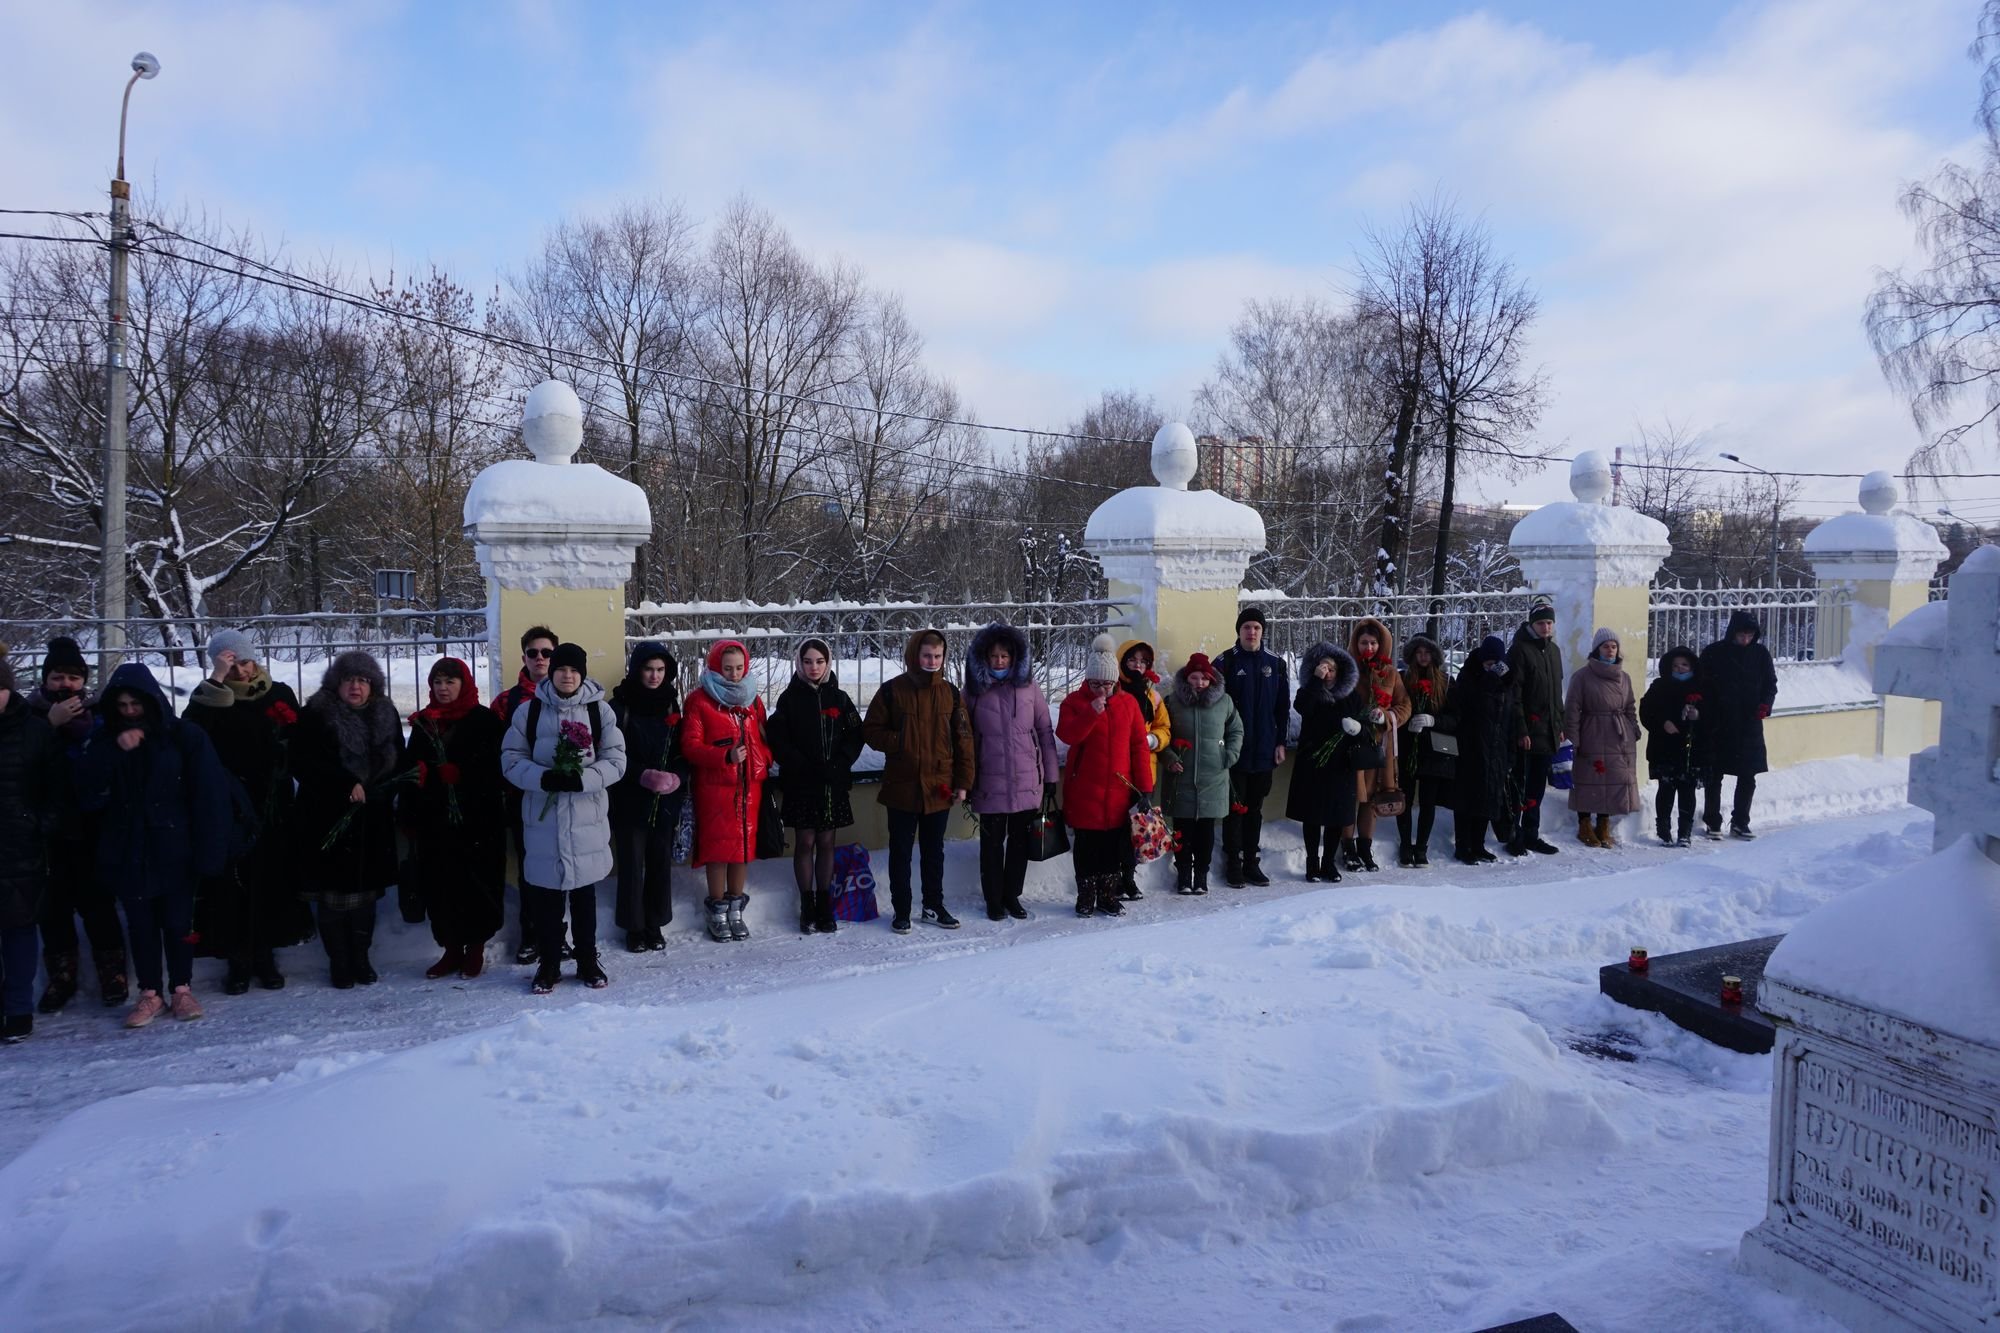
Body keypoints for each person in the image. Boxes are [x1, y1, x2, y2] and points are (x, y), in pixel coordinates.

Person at [76, 663, 230, 1026]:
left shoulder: (182, 737)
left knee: (179, 921)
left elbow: (208, 794)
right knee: (140, 923)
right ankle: (149, 992)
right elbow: (86, 794)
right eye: (123, 705)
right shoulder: (103, 741)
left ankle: (181, 988)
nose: (130, 711)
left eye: (136, 703)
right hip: (127, 846)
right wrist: (115, 751)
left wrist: (210, 849)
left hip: (175, 843)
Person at [181, 628, 303, 994]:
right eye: (230, 667)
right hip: (232, 804)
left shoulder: (277, 693)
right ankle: (237, 958)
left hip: (272, 800)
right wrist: (216, 680)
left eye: (244, 663)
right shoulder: (212, 698)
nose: (240, 673)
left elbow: (299, 738)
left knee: (268, 879)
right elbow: (191, 734)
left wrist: (285, 755)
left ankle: (265, 955)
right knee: (232, 883)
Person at [502, 642, 625, 991]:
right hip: (543, 823)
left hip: (586, 821)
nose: (567, 676)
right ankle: (550, 963)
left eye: (573, 670)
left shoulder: (600, 712)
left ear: (582, 673)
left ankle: (587, 959)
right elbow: (510, 760)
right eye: (561, 669)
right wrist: (543, 778)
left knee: (584, 898)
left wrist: (582, 778)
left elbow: (616, 761)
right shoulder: (530, 712)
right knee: (546, 899)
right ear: (551, 672)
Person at [291, 650, 409, 991]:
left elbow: (398, 761)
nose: (355, 687)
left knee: (366, 895)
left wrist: (382, 789)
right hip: (327, 818)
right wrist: (344, 786)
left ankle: (361, 957)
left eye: (363, 680)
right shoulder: (316, 715)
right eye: (349, 680)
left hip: (370, 820)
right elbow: (304, 762)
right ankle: (339, 962)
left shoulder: (385, 714)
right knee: (334, 896)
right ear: (336, 683)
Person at [27, 637, 127, 1012]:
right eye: (57, 677)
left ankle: (112, 973)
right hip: (44, 830)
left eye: (72, 677)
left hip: (91, 826)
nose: (65, 685)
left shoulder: (99, 715)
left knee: (97, 902)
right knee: (52, 909)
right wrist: (50, 727)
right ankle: (61, 977)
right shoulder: (29, 716)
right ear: (45, 679)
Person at [862, 628, 974, 933]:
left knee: (933, 851)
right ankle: (901, 911)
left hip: (939, 786)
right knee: (900, 851)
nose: (932, 661)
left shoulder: (951, 693)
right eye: (927, 655)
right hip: (903, 786)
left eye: (937, 656)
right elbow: (870, 730)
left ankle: (933, 906)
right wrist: (900, 742)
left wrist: (963, 782)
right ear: (915, 654)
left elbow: (963, 740)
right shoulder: (892, 690)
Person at [404, 657, 507, 980]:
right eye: (438, 682)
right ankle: (450, 949)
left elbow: (499, 768)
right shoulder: (424, 724)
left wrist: (464, 775)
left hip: (478, 820)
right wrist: (420, 784)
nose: (443, 688)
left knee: (477, 884)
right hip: (436, 821)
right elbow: (411, 769)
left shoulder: (485, 720)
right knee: (441, 885)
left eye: (450, 681)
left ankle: (475, 948)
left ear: (464, 684)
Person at [766, 639, 863, 934]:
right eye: (808, 661)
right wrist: (800, 764)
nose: (814, 667)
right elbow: (778, 739)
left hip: (831, 783)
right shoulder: (788, 699)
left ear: (828, 663)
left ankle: (825, 904)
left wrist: (840, 762)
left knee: (826, 843)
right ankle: (806, 904)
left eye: (819, 661)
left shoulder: (840, 698)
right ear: (799, 664)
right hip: (802, 783)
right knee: (805, 842)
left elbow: (856, 734)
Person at [963, 622, 1059, 921]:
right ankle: (993, 899)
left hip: (1026, 779)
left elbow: (1044, 730)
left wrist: (1052, 776)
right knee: (991, 845)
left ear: (1015, 657)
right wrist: (965, 780)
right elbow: (963, 738)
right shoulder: (973, 691)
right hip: (989, 780)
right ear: (984, 658)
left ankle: (1011, 895)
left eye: (1005, 655)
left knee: (1019, 844)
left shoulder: (1028, 688)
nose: (1000, 661)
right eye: (994, 656)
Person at [680, 640, 772, 944]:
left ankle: (736, 908)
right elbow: (690, 746)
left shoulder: (752, 700)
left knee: (742, 848)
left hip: (749, 787)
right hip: (716, 787)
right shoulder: (699, 701)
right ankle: (717, 909)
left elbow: (763, 736)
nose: (733, 674)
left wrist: (763, 760)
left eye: (739, 668)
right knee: (718, 849)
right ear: (716, 667)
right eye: (727, 668)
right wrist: (724, 757)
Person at [1057, 634, 1154, 918]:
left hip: (1118, 790)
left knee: (1113, 846)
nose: (1102, 690)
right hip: (1084, 789)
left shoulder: (1128, 705)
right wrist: (1090, 713)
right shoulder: (1075, 702)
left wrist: (1145, 788)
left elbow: (1138, 746)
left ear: (1116, 682)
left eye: (1108, 684)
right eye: (1096, 684)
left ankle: (1109, 895)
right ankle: (1086, 896)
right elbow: (1066, 734)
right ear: (1088, 681)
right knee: (1087, 847)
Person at [607, 642, 687, 952]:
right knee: (631, 863)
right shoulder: (619, 706)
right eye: (648, 669)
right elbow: (611, 754)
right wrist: (640, 774)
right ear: (636, 669)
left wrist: (677, 777)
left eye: (660, 670)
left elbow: (682, 751)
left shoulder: (671, 705)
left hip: (664, 798)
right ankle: (633, 927)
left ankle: (654, 924)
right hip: (630, 797)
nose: (654, 676)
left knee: (659, 861)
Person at [493, 625, 562, 966]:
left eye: (547, 653)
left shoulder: (569, 695)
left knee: (561, 866)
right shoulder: (507, 701)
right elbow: (496, 751)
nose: (540, 659)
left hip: (562, 799)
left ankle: (558, 935)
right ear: (523, 657)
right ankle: (531, 935)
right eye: (533, 653)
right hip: (523, 797)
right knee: (529, 868)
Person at [0, 653, 60, 1042]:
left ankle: (18, 1009)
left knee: (19, 932)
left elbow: (56, 791)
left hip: (19, 848)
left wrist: (35, 823)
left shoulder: (34, 731)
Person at [1215, 606, 1289, 887]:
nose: (1252, 632)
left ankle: (1250, 862)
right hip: (1235, 751)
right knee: (1235, 807)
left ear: (1263, 631)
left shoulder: (1276, 663)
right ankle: (1232, 863)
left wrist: (1280, 742)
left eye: (1257, 627)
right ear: (1239, 631)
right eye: (1247, 627)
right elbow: (1214, 707)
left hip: (1265, 750)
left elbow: (1282, 708)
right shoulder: (1225, 662)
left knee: (1255, 808)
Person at [1160, 653, 1243, 895]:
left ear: (1211, 679)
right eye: (1194, 677)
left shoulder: (1224, 702)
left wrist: (1229, 755)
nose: (1199, 683)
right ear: (1187, 679)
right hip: (1181, 777)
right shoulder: (1172, 702)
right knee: (1183, 829)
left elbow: (1236, 730)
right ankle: (1184, 874)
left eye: (1204, 678)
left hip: (1213, 777)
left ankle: (1202, 875)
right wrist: (1170, 759)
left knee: (1206, 830)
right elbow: (1162, 735)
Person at [1283, 641, 1365, 884]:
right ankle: (1312, 863)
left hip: (1340, 763)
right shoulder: (1309, 691)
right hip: (1313, 760)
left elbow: (1365, 729)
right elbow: (1303, 708)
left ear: (1340, 672)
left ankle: (1329, 862)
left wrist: (1357, 728)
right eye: (1322, 667)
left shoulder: (1351, 696)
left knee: (1335, 816)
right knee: (1313, 815)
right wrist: (1316, 682)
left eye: (1331, 669)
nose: (1327, 672)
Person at [1338, 618, 1412, 873]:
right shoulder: (1347, 670)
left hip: (1380, 746)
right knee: (1351, 796)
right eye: (1363, 643)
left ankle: (1365, 848)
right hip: (1353, 743)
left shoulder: (1390, 673)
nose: (1368, 648)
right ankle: (1347, 847)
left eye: (1372, 643)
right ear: (1355, 644)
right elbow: (1336, 701)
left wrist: (1387, 717)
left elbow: (1404, 706)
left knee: (1371, 798)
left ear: (1381, 645)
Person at [1698, 610, 1778, 840]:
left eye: (1750, 635)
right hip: (1719, 723)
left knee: (1747, 775)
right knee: (1714, 775)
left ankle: (1741, 821)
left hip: (1748, 724)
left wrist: (1765, 705)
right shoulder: (1714, 653)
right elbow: (1702, 684)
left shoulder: (1761, 655)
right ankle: (1712, 821)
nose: (1745, 639)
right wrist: (1706, 710)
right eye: (1741, 634)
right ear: (1732, 632)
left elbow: (1770, 685)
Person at [1444, 636, 1519, 865]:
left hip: (1496, 750)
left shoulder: (1507, 683)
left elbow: (1510, 718)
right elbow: (1466, 710)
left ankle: (1478, 845)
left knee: (1488, 798)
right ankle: (1462, 846)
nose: (1492, 668)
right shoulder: (1468, 678)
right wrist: (1489, 680)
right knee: (1467, 800)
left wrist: (1510, 752)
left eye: (1496, 664)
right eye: (1488, 664)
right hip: (1471, 748)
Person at [1565, 629, 1641, 848]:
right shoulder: (1582, 676)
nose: (1610, 650)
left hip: (1619, 735)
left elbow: (1629, 706)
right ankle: (1584, 824)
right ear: (1597, 649)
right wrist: (1573, 739)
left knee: (1613, 780)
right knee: (1589, 778)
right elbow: (1572, 710)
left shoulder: (1623, 677)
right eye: (1605, 646)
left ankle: (1604, 824)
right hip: (1592, 732)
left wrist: (1633, 728)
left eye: (1613, 646)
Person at [1504, 601, 1565, 857]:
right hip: (1527, 732)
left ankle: (1532, 833)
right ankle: (1513, 833)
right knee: (1519, 785)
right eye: (1541, 623)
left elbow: (1555, 693)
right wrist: (1521, 729)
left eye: (1549, 623)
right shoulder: (1520, 650)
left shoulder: (1553, 651)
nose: (1546, 627)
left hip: (1547, 732)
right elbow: (1514, 693)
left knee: (1537, 788)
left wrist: (1558, 725)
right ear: (1532, 624)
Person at [1112, 639, 1171, 901]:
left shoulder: (1152, 695)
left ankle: (1129, 877)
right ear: (1122, 662)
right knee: (1116, 827)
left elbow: (1164, 727)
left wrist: (1153, 740)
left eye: (1143, 662)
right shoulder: (1112, 690)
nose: (1138, 666)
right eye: (1132, 660)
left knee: (1137, 828)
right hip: (1117, 771)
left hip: (1144, 770)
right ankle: (1113, 877)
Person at [1396, 634, 1455, 868]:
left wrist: (1433, 720)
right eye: (1418, 652)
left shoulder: (1446, 682)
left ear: (1434, 655)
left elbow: (1456, 719)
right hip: (1408, 747)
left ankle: (1421, 847)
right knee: (1405, 799)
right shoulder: (1402, 679)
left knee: (1428, 802)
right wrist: (1404, 721)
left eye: (1427, 652)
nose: (1422, 657)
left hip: (1434, 750)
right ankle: (1405, 845)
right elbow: (1395, 707)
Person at [1639, 645, 1706, 847]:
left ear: (1692, 666)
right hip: (1664, 746)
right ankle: (1664, 827)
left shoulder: (1701, 687)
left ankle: (1685, 831)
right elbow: (1647, 712)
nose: (1680, 668)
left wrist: (1699, 716)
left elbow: (1714, 715)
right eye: (1675, 665)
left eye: (1684, 664)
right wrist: (1663, 723)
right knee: (1666, 788)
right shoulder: (1659, 686)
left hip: (1690, 749)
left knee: (1687, 790)